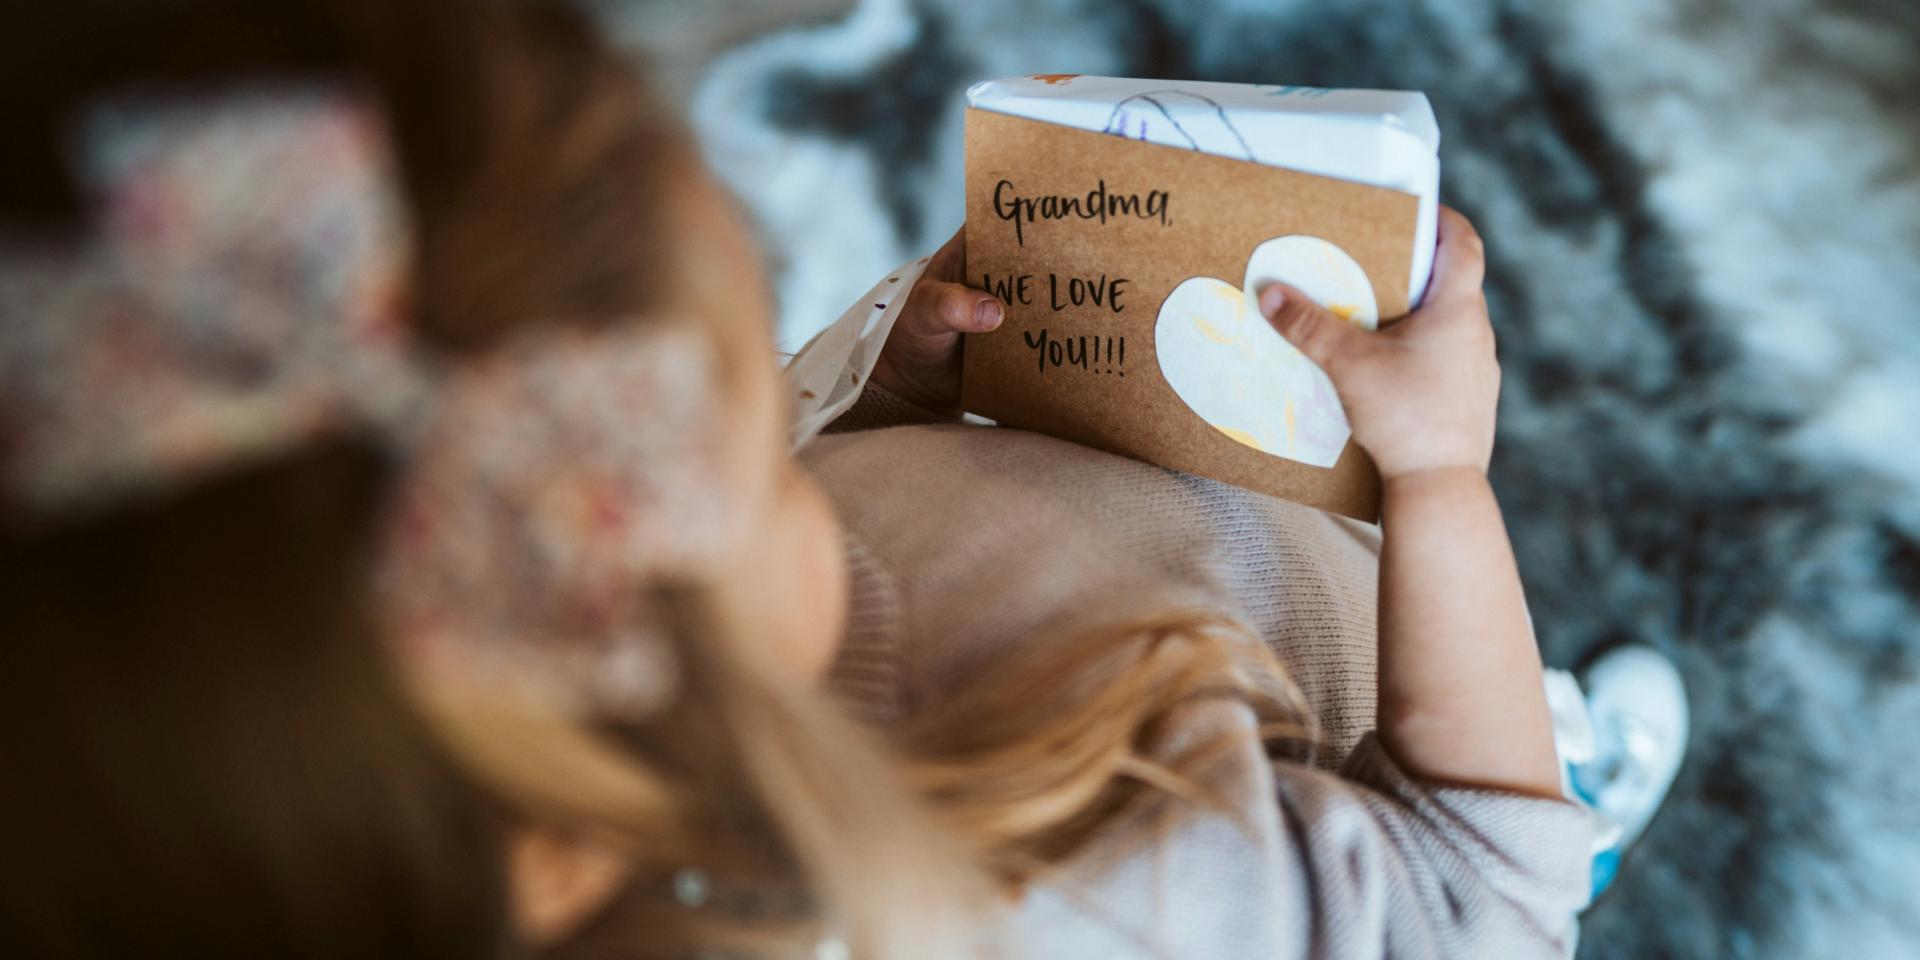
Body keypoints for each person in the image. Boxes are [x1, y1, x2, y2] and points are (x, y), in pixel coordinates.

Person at [0, 3, 1632, 959]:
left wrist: (880, 385)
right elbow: (1474, 896)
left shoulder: (572, 674)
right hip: (1378, 738)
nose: (785, 461)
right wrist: (1438, 483)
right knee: (1519, 779)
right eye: (752, 460)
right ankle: (1585, 769)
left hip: (1156, 552)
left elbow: (743, 490)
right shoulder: (1104, 891)